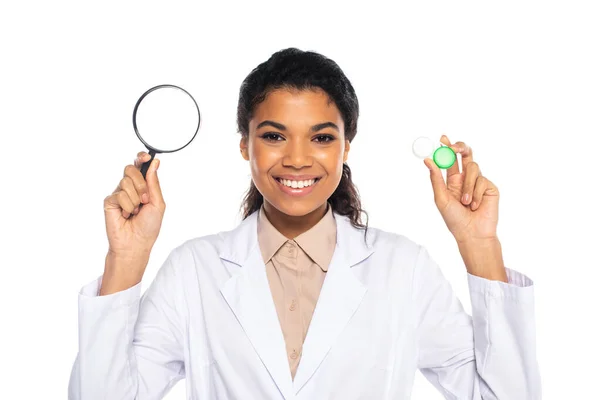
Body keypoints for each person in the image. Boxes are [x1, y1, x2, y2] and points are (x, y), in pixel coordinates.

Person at [68, 48, 541, 400]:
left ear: (345, 149)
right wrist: (126, 258)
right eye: (273, 136)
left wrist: (479, 243)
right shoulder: (194, 270)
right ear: (244, 146)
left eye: (321, 137)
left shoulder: (404, 269)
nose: (297, 159)